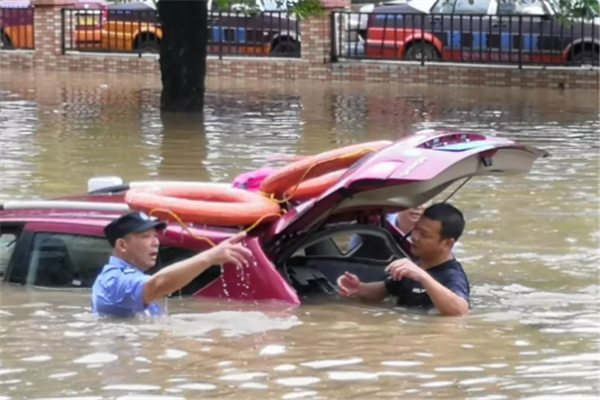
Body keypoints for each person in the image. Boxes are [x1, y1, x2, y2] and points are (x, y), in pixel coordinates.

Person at [91, 211, 251, 318]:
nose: (156, 243)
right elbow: (158, 285)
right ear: (122, 245)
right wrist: (209, 257)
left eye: (155, 236)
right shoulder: (113, 281)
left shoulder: (129, 276)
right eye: (145, 237)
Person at [337, 203, 470, 317]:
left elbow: (460, 310)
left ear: (447, 244)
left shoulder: (452, 274)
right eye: (415, 229)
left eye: (424, 234)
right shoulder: (415, 265)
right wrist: (360, 288)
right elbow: (385, 290)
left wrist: (423, 276)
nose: (415, 237)